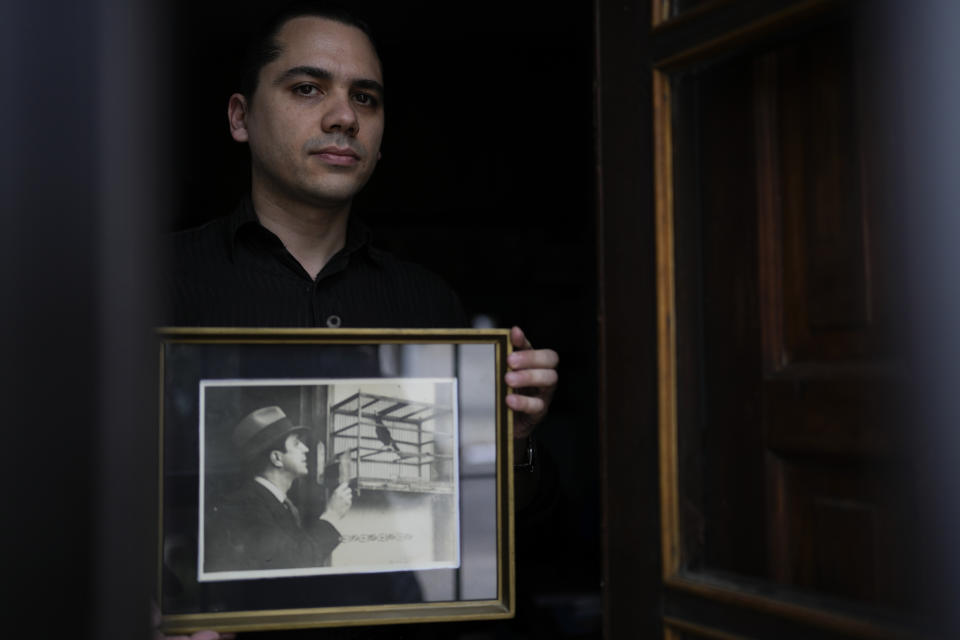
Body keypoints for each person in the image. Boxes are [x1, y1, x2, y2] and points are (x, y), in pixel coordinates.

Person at [163, 3, 559, 637]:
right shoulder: (151, 284)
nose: (344, 116)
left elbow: (502, 536)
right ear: (240, 117)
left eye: (365, 98)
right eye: (307, 88)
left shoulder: (430, 308)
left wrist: (514, 444)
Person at [205, 406, 353, 572]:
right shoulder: (244, 506)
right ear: (276, 458)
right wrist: (331, 515)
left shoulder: (279, 503)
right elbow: (292, 566)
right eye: (296, 443)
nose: (306, 449)